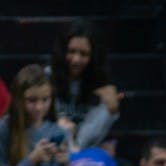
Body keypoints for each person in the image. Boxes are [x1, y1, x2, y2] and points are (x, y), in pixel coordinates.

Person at [50, 19, 121, 150]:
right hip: (53, 149)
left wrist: (112, 111)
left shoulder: (102, 84)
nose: (76, 60)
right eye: (71, 51)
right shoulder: (47, 77)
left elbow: (105, 137)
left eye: (83, 54)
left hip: (87, 153)